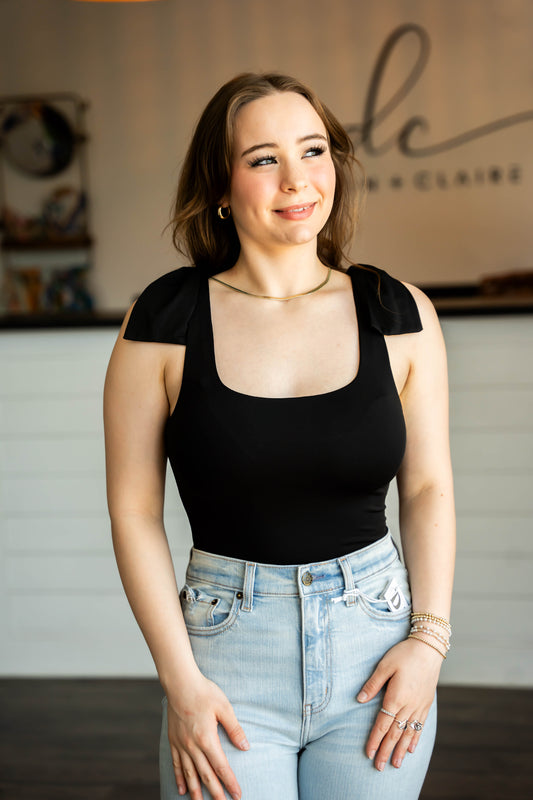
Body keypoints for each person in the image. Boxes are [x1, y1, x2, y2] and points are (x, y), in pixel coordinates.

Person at [103, 72, 455, 800]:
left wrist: (428, 641)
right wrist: (180, 684)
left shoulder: (397, 311)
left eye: (313, 150)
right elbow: (133, 513)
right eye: (263, 158)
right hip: (226, 658)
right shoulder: (164, 321)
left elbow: (427, 487)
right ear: (221, 186)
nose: (298, 180)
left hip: (375, 648)